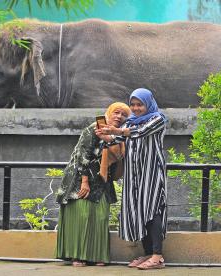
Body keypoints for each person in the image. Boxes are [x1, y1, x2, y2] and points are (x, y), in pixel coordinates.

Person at [97, 88, 167, 270]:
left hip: (151, 174)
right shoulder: (130, 122)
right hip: (134, 177)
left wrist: (117, 130)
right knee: (140, 212)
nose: (136, 108)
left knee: (152, 211)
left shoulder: (158, 119)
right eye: (133, 104)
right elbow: (120, 140)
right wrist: (107, 136)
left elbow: (140, 132)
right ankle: (147, 253)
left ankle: (158, 256)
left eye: (140, 104)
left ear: (148, 104)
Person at [55, 102, 131, 267]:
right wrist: (84, 181)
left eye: (124, 115)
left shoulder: (120, 135)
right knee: (82, 216)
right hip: (81, 179)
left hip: (102, 181)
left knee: (100, 217)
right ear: (109, 112)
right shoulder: (96, 126)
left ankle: (98, 255)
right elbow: (84, 154)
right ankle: (77, 256)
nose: (119, 117)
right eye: (116, 112)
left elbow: (119, 156)